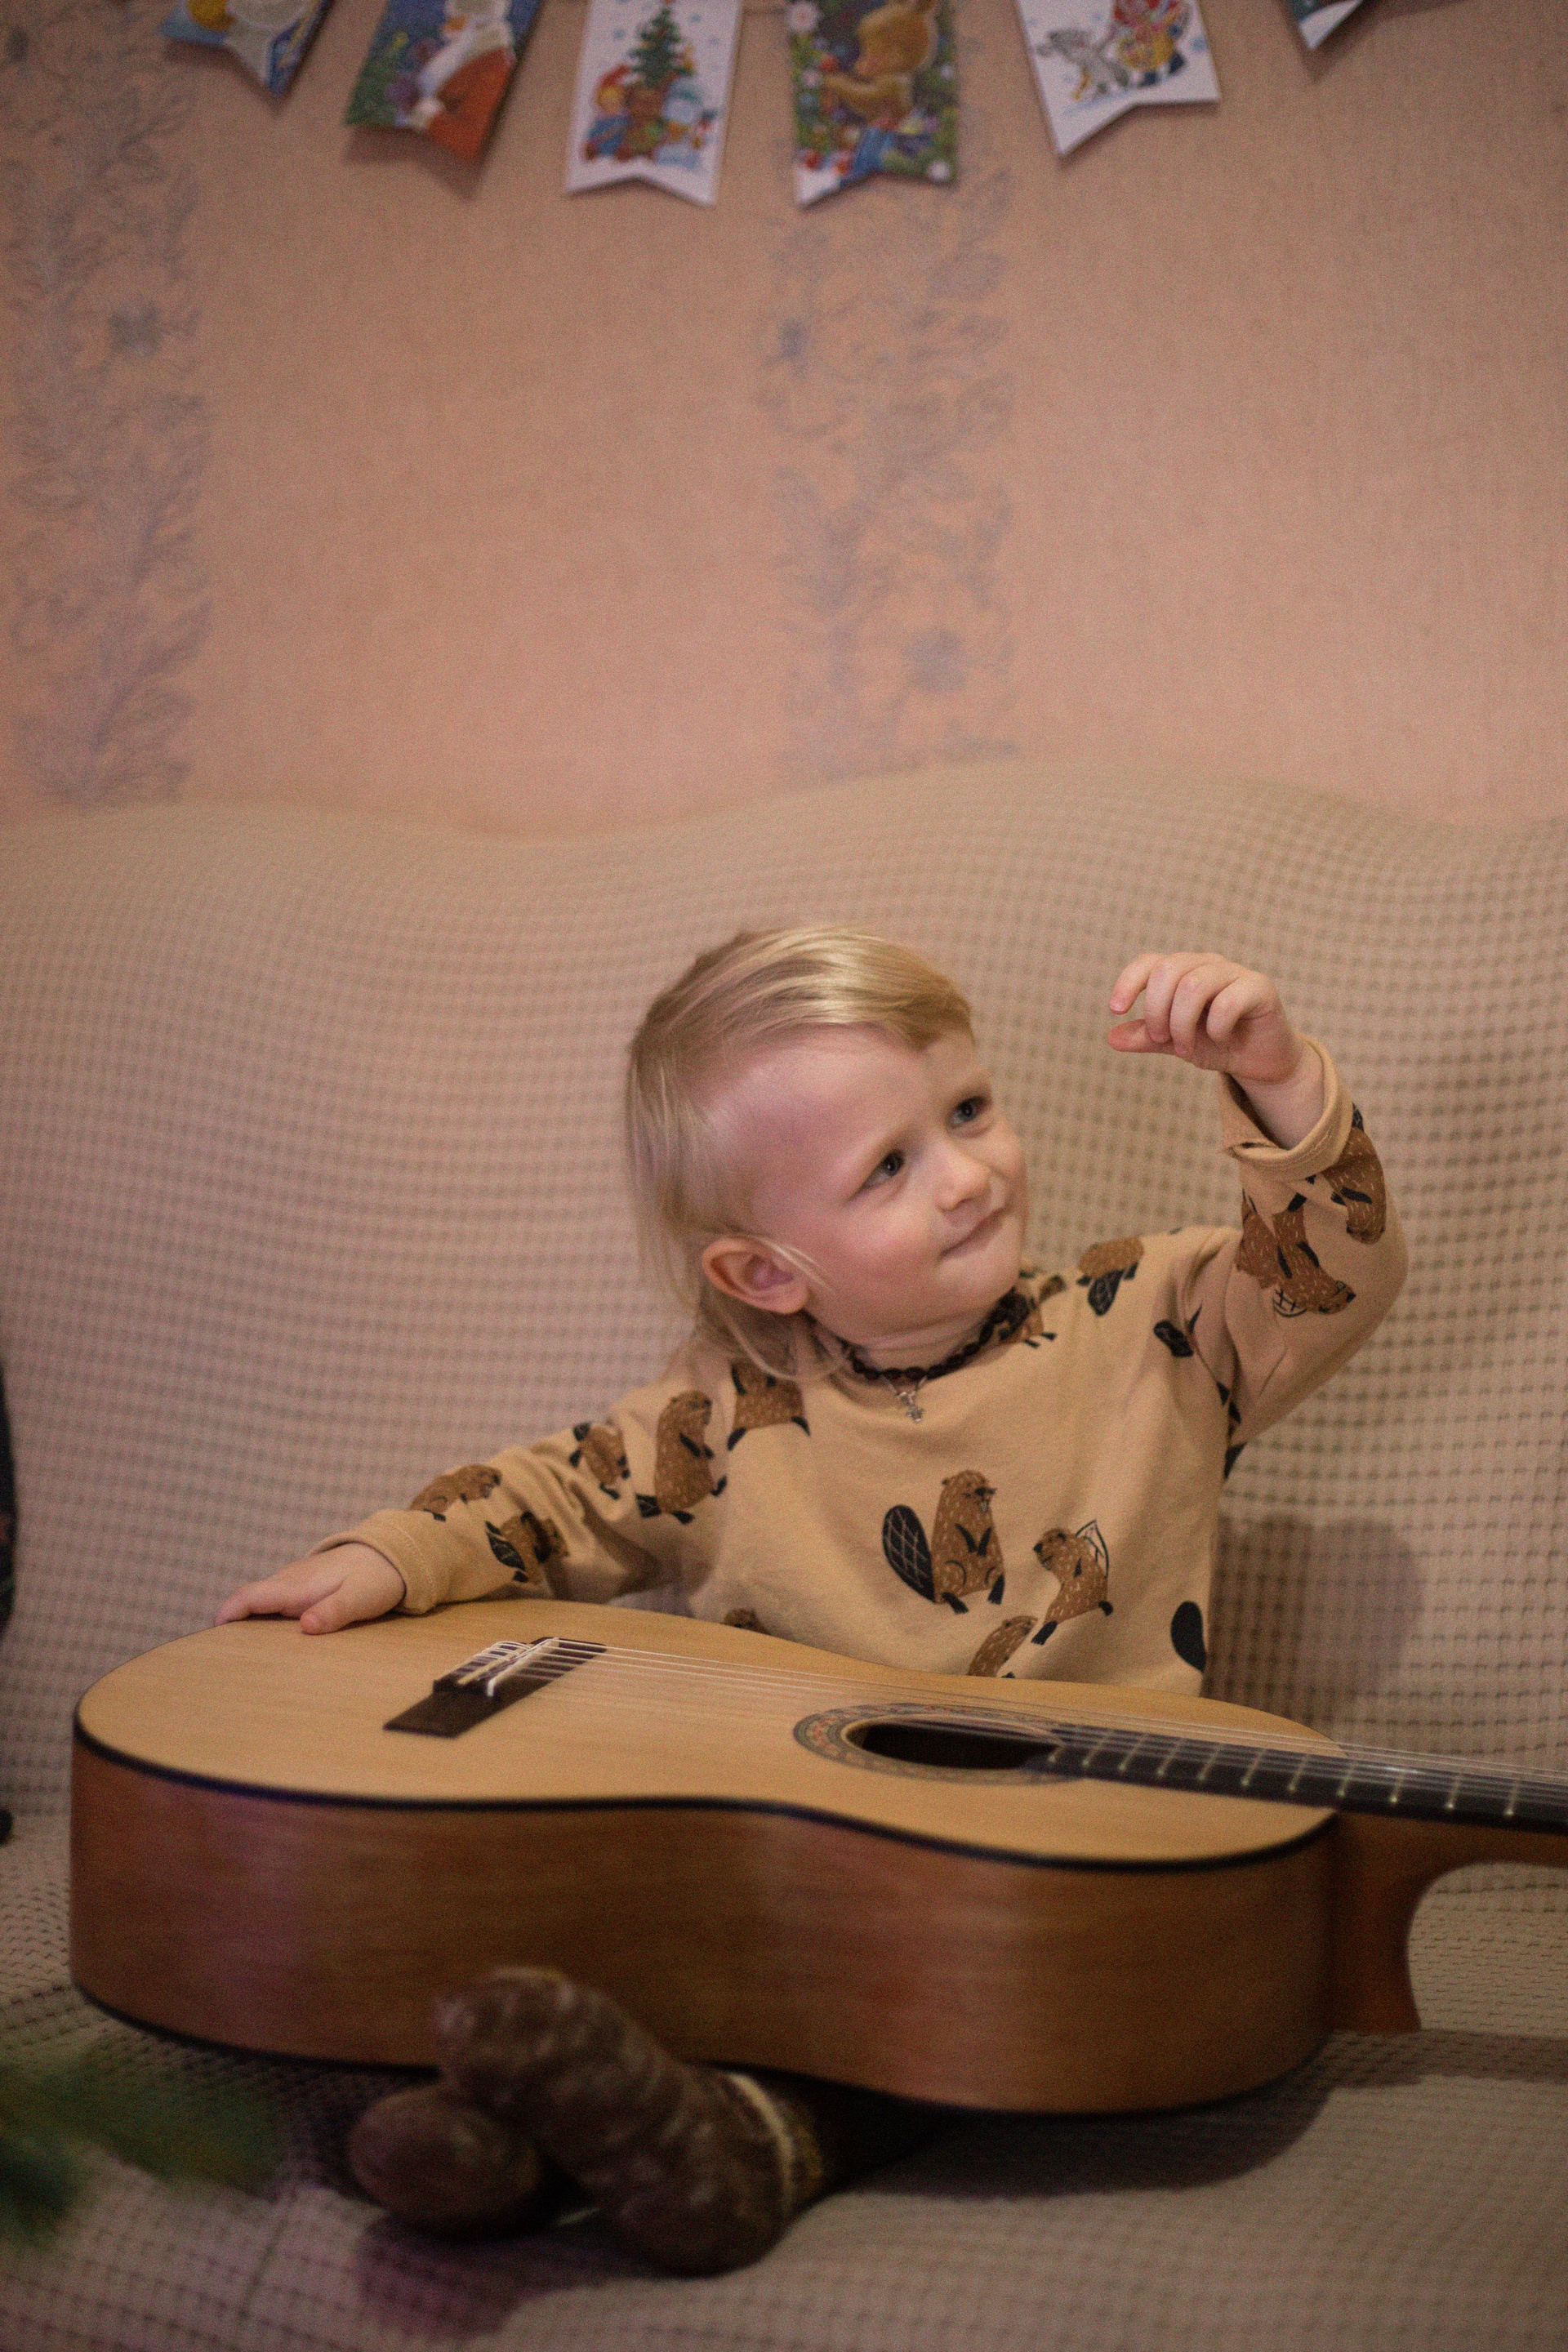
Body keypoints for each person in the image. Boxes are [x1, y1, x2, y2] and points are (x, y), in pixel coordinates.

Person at [218, 931, 1405, 2269]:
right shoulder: (723, 1411)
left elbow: (1331, 1270)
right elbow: (552, 1495)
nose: (966, 1175)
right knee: (614, 1916)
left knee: (960, 2000)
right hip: (785, 1884)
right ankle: (508, 2138)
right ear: (767, 1273)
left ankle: (736, 2148)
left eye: (967, 1109)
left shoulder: (1151, 1326)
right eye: (887, 1167)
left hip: (1052, 1883)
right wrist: (390, 1555)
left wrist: (1277, 1078)